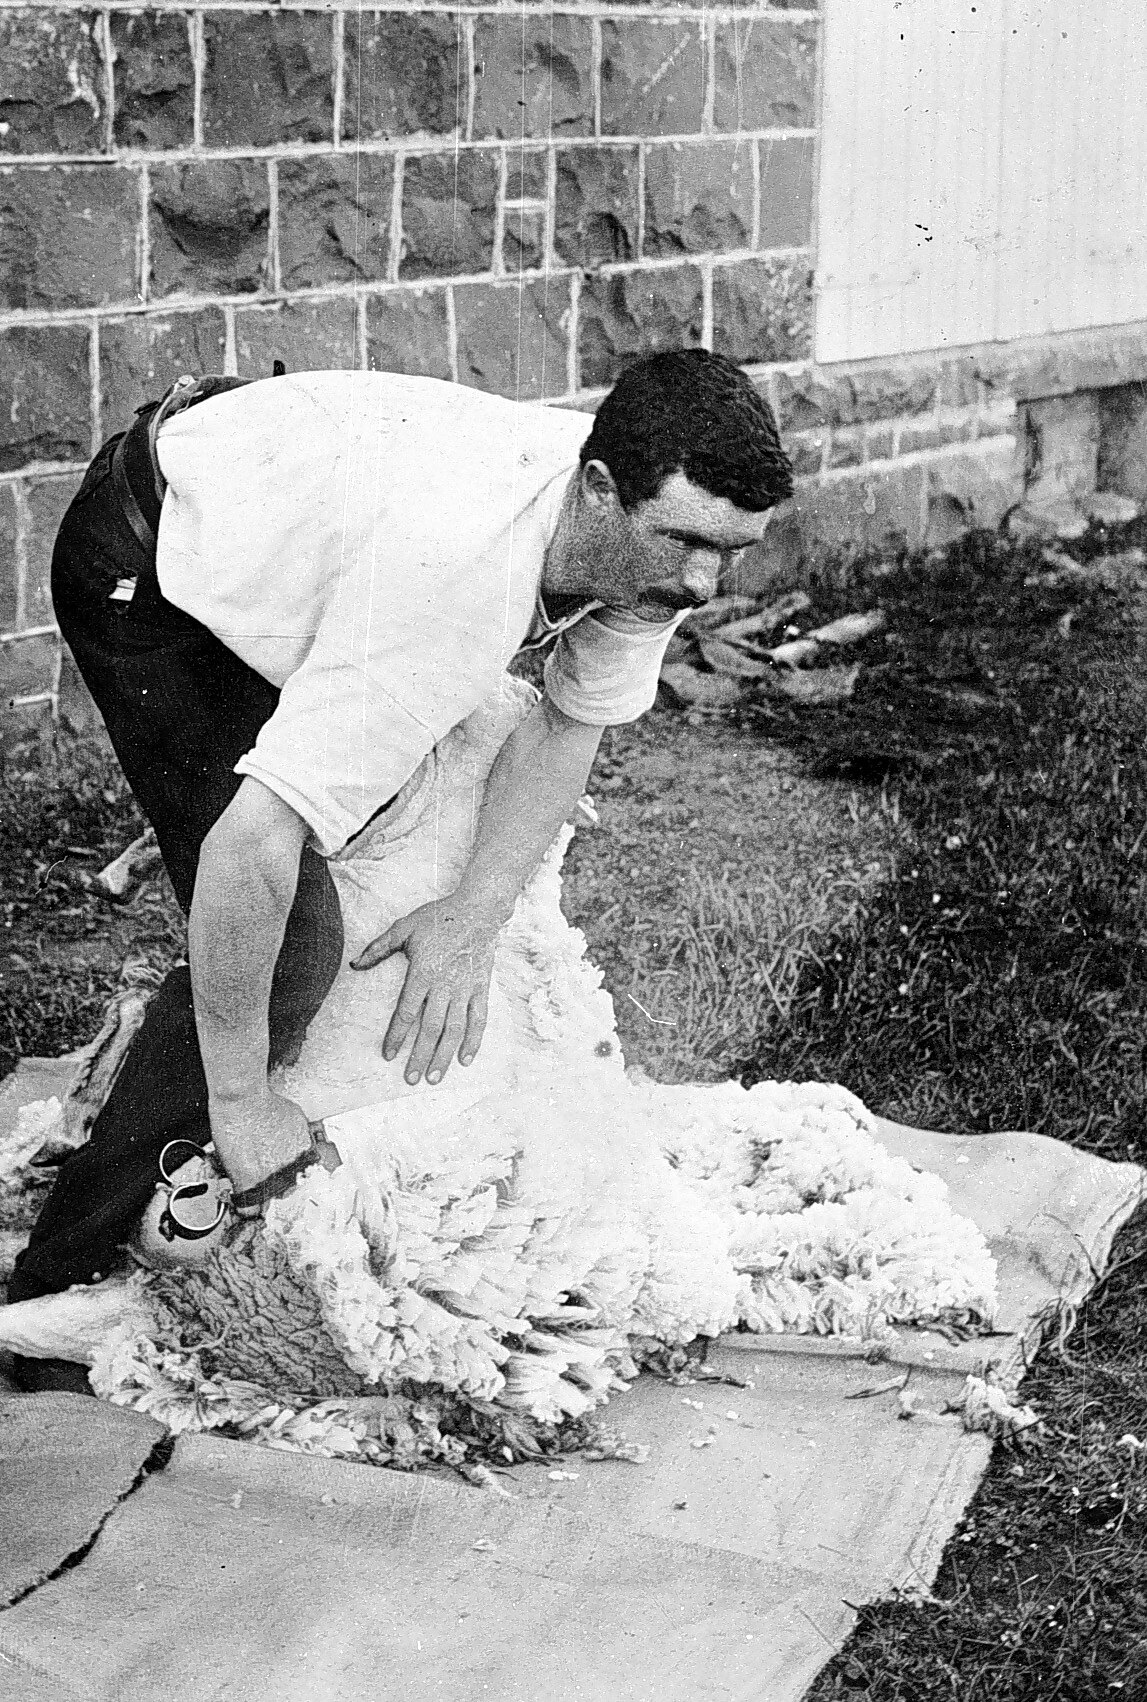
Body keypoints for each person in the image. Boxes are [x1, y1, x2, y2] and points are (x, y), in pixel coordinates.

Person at [8, 350, 793, 1357]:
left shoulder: (632, 546)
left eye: (730, 550)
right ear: (598, 487)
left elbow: (568, 723)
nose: (701, 583)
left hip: (290, 509)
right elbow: (253, 845)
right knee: (297, 941)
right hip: (149, 557)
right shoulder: (457, 585)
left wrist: (472, 915)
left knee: (373, 811)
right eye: (682, 541)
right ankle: (63, 1276)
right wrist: (246, 1105)